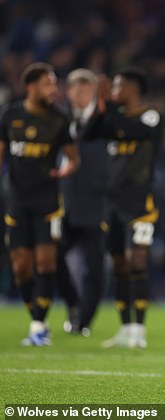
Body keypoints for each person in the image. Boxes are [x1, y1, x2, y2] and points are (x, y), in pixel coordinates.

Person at [0, 62, 79, 345]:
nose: (54, 89)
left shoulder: (59, 119)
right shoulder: (11, 116)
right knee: (21, 265)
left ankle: (38, 325)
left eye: (55, 83)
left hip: (48, 202)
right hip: (18, 201)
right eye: (48, 83)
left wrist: (67, 168)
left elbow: (73, 157)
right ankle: (35, 315)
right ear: (30, 86)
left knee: (46, 262)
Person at [85, 68, 163, 349]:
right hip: (113, 203)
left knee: (137, 261)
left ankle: (140, 330)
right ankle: (125, 327)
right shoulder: (112, 118)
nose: (114, 90)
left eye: (117, 86)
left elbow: (129, 130)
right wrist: (101, 104)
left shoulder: (150, 117)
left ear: (133, 88)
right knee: (118, 265)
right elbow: (88, 132)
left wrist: (109, 108)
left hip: (140, 203)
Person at [58, 68, 108, 337]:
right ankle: (73, 306)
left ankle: (84, 320)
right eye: (76, 88)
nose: (81, 93)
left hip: (95, 205)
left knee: (95, 269)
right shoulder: (59, 120)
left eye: (86, 88)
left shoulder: (105, 121)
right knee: (52, 259)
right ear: (68, 92)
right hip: (64, 203)